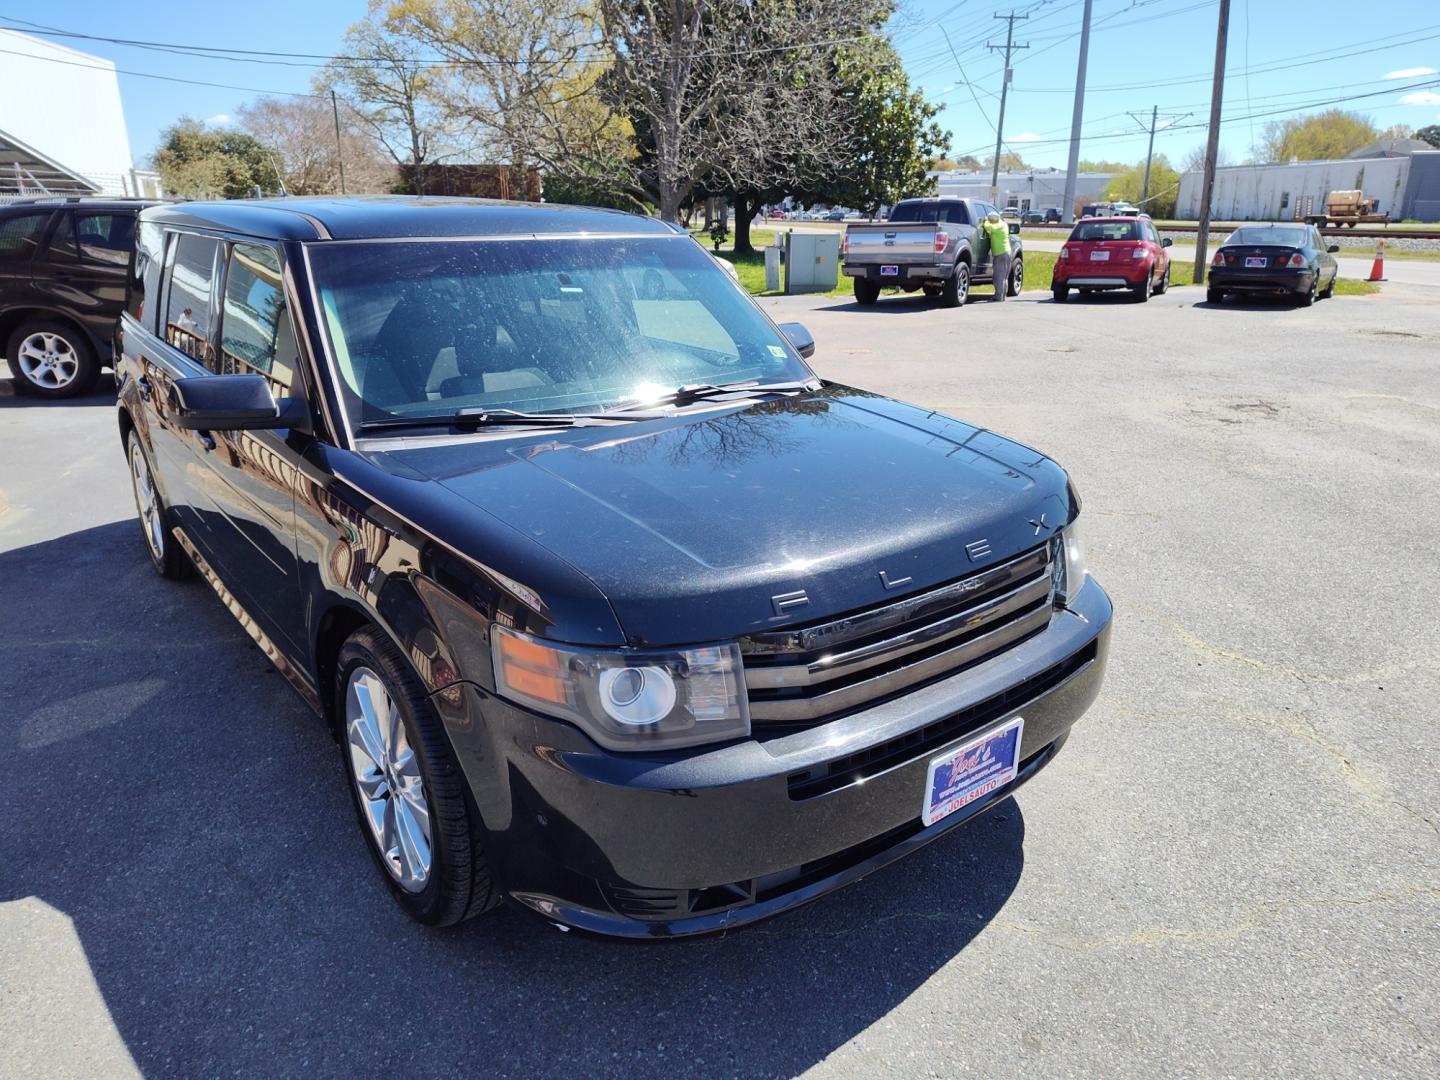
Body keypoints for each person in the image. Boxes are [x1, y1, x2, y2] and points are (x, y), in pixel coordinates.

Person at [982, 211, 1012, 302]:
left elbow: (988, 226)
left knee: (999, 275)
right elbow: (990, 230)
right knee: (1003, 276)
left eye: (991, 220)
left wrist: (985, 221)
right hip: (1006, 252)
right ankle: (1002, 295)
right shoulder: (1004, 224)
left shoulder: (998, 226)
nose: (990, 221)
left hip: (1001, 253)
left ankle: (998, 296)